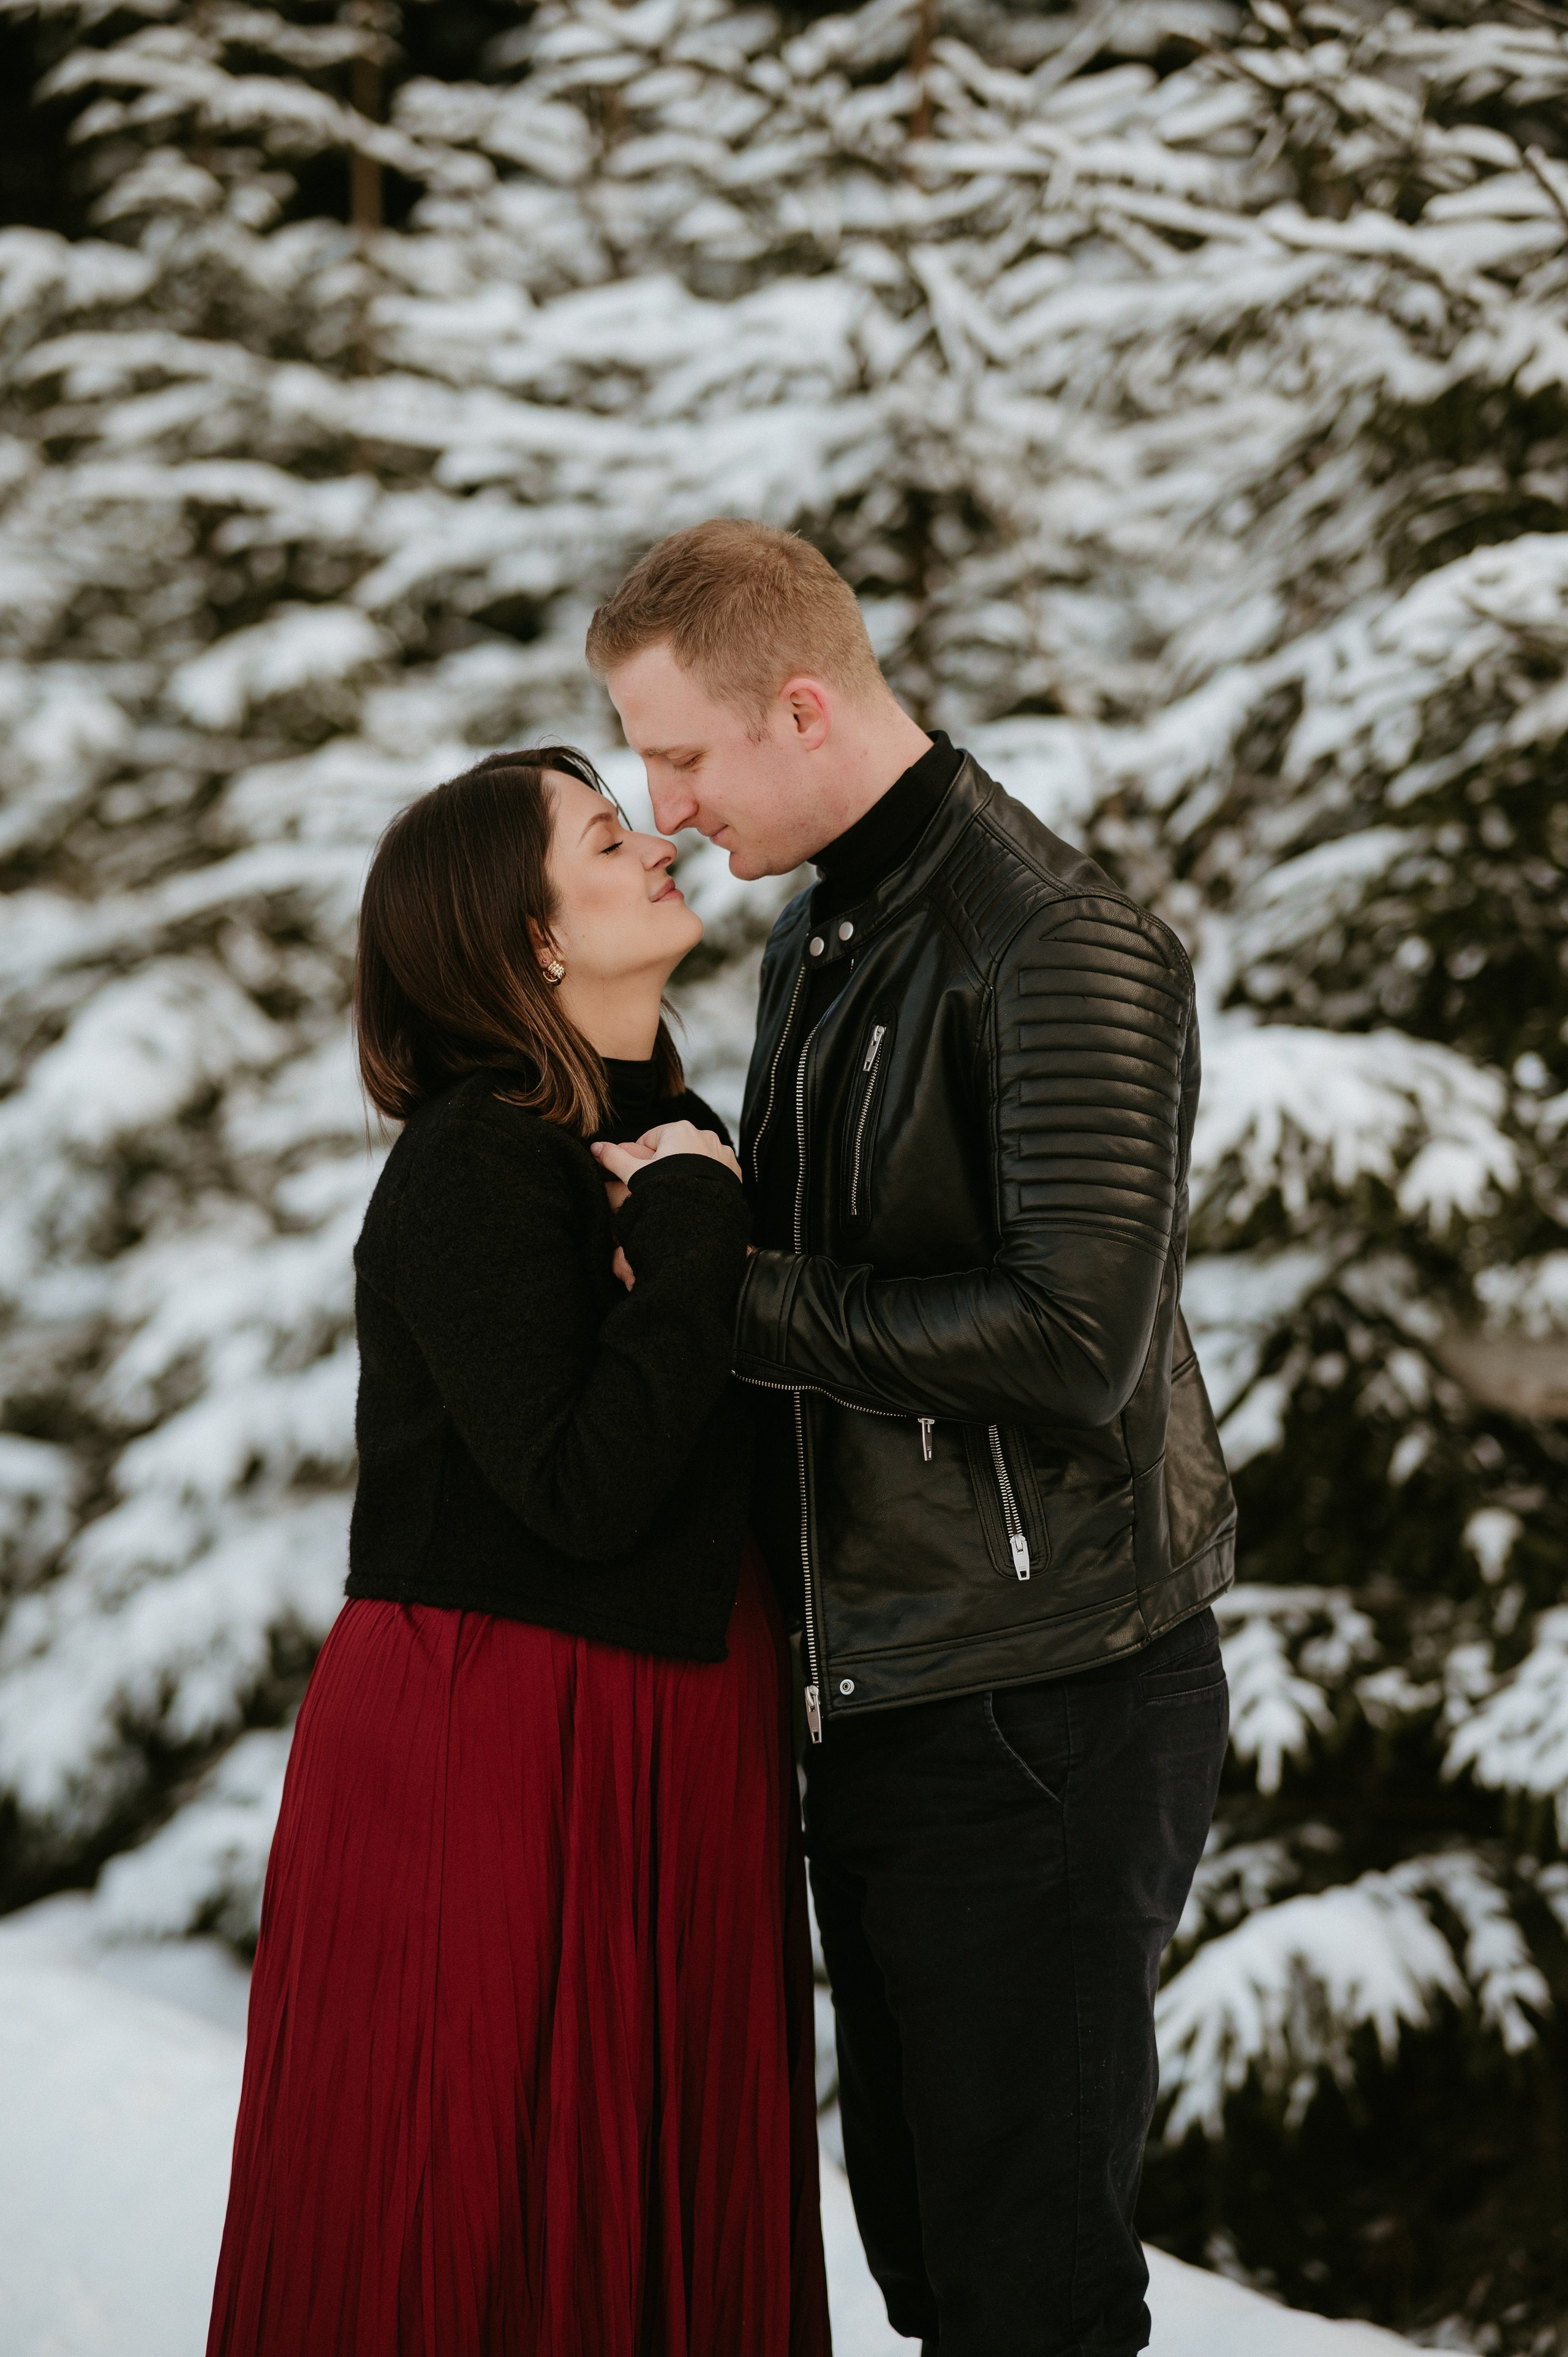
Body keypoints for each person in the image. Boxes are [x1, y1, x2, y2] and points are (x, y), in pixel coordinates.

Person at [588, 522, 1237, 2357]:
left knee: (1028, 2291)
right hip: (888, 1696)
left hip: (1043, 1703)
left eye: (688, 753)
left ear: (801, 707)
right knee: (935, 2277)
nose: (669, 800)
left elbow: (1070, 1343)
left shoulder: (1056, 943)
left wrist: (713, 1284)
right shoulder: (828, 928)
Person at [207, 747, 831, 2357]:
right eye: (607, 835)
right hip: (503, 1735)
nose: (657, 845)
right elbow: (575, 1487)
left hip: (681, 1726)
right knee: (485, 2185)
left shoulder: (678, 1128)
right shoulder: (476, 1159)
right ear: (529, 937)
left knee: (657, 2184)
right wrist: (697, 1238)